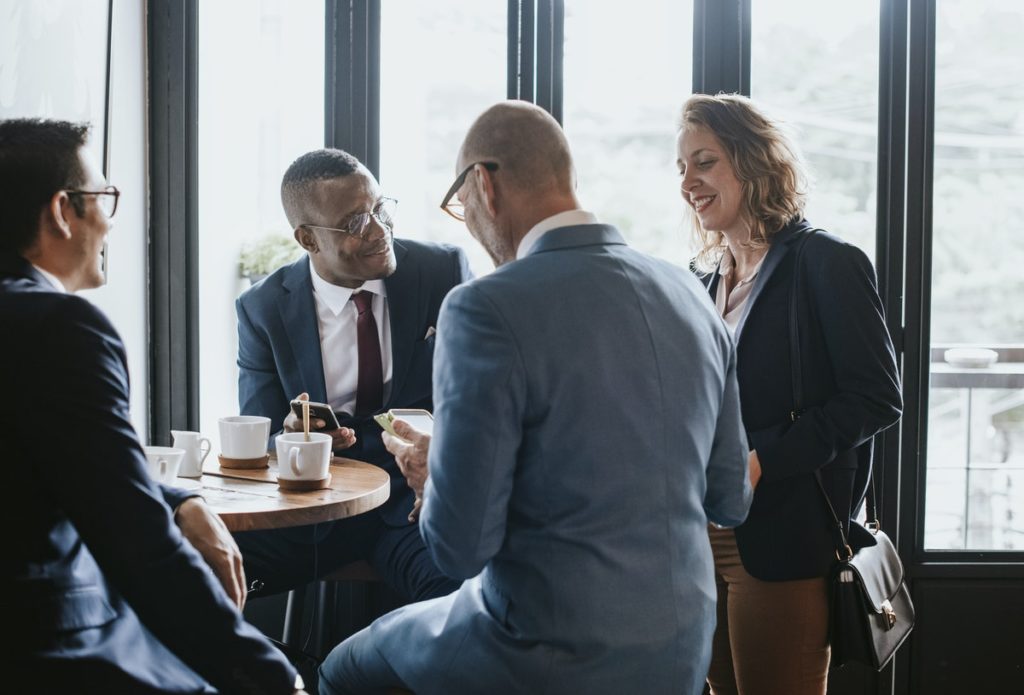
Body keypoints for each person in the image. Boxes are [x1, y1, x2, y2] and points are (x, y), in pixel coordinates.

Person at [317, 100, 753, 695]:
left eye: (461, 207)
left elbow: (458, 549)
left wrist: (436, 469)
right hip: (679, 649)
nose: (467, 222)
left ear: (484, 186)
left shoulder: (485, 307)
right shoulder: (690, 293)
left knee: (342, 668)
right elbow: (729, 497)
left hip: (540, 647)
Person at [1, 118, 304, 693]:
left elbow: (49, 467)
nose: (112, 220)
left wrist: (181, 496)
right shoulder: (60, 327)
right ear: (63, 210)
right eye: (105, 197)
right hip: (47, 645)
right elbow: (133, 537)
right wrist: (269, 676)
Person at [676, 93, 903, 695]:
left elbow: (877, 397)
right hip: (699, 538)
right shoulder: (702, 279)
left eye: (704, 162)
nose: (688, 182)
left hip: (784, 534)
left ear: (753, 163)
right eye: (681, 168)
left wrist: (761, 461)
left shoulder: (827, 263)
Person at [233, 148, 471, 602]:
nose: (381, 231)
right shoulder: (263, 309)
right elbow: (261, 436)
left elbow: (482, 394)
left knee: (457, 596)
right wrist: (292, 440)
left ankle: (384, 671)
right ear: (307, 240)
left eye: (381, 210)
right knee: (198, 570)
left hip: (413, 505)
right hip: (317, 513)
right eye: (356, 223)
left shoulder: (442, 271)